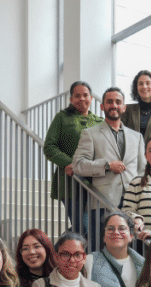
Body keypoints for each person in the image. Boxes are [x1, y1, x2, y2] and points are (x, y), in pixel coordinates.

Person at [72, 87, 146, 221]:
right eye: (110, 102)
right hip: (103, 203)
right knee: (100, 242)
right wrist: (107, 166)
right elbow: (78, 165)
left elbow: (142, 171)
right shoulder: (90, 134)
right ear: (102, 106)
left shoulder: (137, 137)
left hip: (133, 204)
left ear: (124, 107)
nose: (114, 105)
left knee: (133, 242)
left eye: (118, 102)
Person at [44, 81, 104, 232]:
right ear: (71, 99)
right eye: (77, 96)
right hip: (71, 181)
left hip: (95, 182)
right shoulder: (62, 118)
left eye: (85, 95)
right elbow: (49, 146)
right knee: (81, 227)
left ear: (91, 98)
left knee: (94, 227)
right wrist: (69, 163)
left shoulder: (100, 122)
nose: (81, 99)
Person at [121, 70, 151, 143]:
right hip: (129, 152)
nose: (144, 87)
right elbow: (121, 134)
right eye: (140, 84)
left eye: (148, 83)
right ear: (136, 87)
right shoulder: (127, 109)